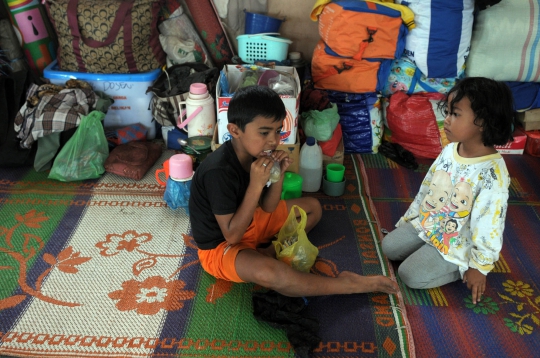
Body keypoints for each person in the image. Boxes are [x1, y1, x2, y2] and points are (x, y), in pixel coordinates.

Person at [189, 85, 397, 297]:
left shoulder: (256, 151)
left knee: (313, 208)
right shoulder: (218, 172)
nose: (274, 140)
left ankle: (268, 251)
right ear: (235, 130)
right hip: (221, 246)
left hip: (252, 219)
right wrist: (256, 184)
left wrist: (278, 175)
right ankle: (347, 284)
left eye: (278, 131)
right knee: (271, 274)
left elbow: (268, 208)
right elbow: (232, 236)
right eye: (264, 132)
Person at [381, 77, 514, 304]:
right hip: (430, 224)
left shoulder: (493, 175)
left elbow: (489, 226)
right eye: (448, 112)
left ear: (482, 121)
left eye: (456, 114)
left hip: (457, 241)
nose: (447, 120)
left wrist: (479, 267)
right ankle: (427, 247)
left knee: (409, 274)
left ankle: (459, 268)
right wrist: (411, 219)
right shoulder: (451, 150)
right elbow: (428, 188)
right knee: (389, 247)